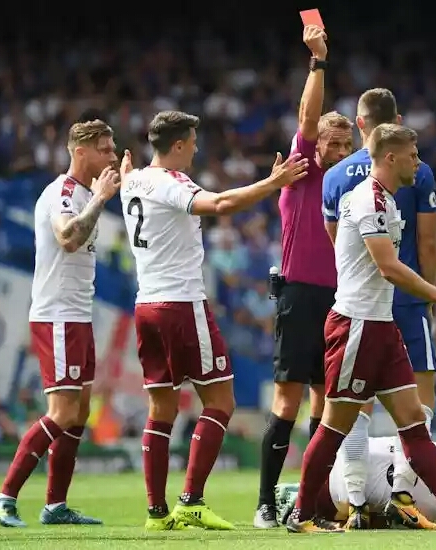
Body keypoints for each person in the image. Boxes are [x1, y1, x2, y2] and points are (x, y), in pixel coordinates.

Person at [286, 124, 436, 533]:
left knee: (412, 421)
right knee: (335, 424)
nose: (418, 162)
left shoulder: (384, 199)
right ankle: (302, 513)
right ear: (390, 157)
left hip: (381, 326)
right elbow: (388, 267)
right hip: (355, 325)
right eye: (412, 154)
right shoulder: (370, 200)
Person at [120, 110, 309, 531]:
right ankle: (191, 500)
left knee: (162, 408)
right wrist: (272, 183)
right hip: (181, 303)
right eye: (193, 141)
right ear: (180, 145)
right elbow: (221, 203)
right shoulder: (173, 183)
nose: (198, 149)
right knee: (221, 402)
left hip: (145, 305)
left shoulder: (130, 180)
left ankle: (156, 512)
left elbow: (134, 179)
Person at [0, 120, 121, 528]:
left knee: (79, 412)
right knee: (62, 412)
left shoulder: (85, 192)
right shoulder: (63, 193)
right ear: (80, 152)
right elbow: (68, 237)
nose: (112, 155)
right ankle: (4, 497)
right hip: (57, 314)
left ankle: (55, 505)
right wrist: (99, 199)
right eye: (105, 148)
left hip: (78, 315)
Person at [322, 88, 436, 529]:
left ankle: (354, 500)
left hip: (356, 302)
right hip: (405, 301)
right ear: (397, 122)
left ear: (360, 124)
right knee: (419, 409)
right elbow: (427, 242)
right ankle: (403, 493)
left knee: (354, 409)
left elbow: (341, 248)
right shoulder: (419, 170)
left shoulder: (334, 176)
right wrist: (434, 296)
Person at [255, 24, 353, 528]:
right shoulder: (301, 168)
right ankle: (265, 501)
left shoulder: (353, 186)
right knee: (288, 399)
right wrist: (318, 62)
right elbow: (308, 116)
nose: (334, 150)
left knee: (326, 402)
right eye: (330, 142)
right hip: (298, 295)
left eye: (343, 145)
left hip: (340, 300)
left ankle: (311, 502)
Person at [276, 415, 436, 528]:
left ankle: (299, 497)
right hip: (338, 488)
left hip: (345, 456)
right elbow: (388, 521)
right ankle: (298, 498)